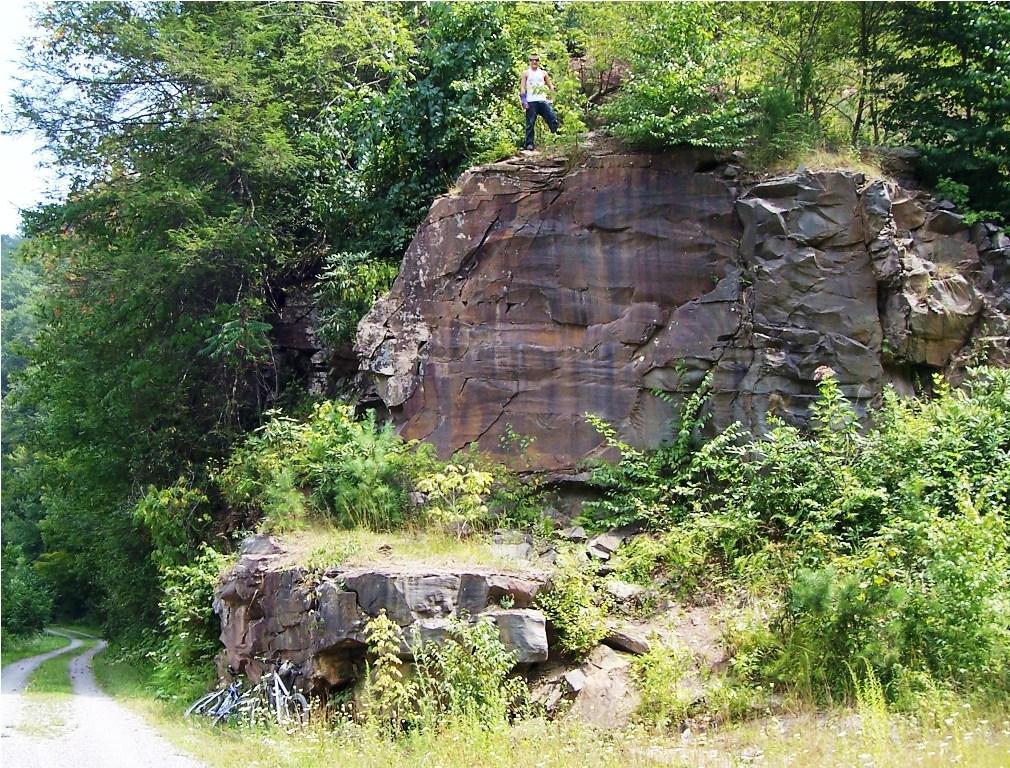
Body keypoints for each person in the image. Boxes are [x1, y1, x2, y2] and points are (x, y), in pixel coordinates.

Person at [520, 53, 559, 151]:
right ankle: (529, 144)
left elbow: (550, 86)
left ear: (539, 61)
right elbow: (522, 87)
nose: (534, 62)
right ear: (529, 61)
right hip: (531, 101)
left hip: (542, 100)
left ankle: (557, 138)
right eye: (532, 60)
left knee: (552, 118)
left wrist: (552, 97)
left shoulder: (543, 73)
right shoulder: (526, 73)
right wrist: (523, 100)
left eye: (536, 60)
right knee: (530, 123)